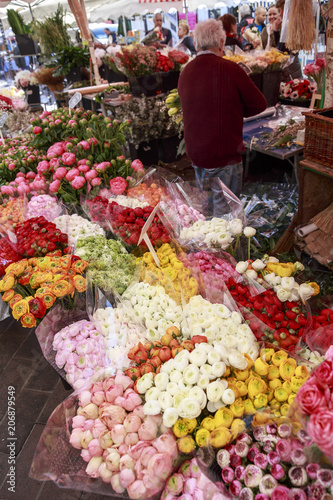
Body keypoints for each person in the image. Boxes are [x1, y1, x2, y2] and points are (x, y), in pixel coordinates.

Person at [178, 19, 267, 202]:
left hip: (197, 154)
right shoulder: (230, 69)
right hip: (223, 156)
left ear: (196, 43)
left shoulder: (186, 71)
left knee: (208, 209)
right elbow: (259, 104)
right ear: (221, 43)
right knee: (226, 217)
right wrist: (233, 110)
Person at [273, 0, 302, 80]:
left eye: (279, 11)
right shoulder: (290, 22)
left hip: (291, 65)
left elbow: (281, 48)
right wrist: (276, 30)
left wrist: (275, 30)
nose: (279, 14)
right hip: (291, 63)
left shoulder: (289, 23)